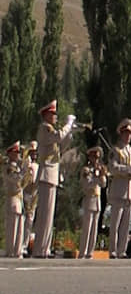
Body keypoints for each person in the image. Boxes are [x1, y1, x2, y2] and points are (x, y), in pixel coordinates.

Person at [33, 100, 76, 258]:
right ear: (46, 115)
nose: (56, 116)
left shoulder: (51, 131)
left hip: (52, 175)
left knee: (49, 216)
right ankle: (39, 249)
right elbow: (58, 136)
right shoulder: (45, 128)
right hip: (46, 174)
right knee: (44, 215)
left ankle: (44, 248)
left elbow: (61, 147)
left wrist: (69, 134)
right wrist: (68, 124)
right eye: (53, 114)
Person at [107, 118, 131, 259]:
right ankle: (113, 250)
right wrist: (126, 170)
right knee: (115, 223)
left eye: (130, 133)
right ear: (121, 134)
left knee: (126, 224)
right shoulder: (116, 150)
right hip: (118, 189)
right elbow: (112, 168)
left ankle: (122, 250)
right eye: (126, 133)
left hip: (129, 190)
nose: (128, 136)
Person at [79, 146, 108, 259]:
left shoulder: (98, 170)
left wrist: (102, 175)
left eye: (97, 158)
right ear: (90, 157)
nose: (96, 160)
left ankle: (90, 252)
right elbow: (87, 184)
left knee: (94, 229)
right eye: (94, 157)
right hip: (89, 199)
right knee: (87, 228)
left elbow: (103, 184)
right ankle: (83, 252)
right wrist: (97, 177)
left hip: (97, 201)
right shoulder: (86, 170)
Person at [3, 141, 26, 258]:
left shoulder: (17, 167)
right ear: (10, 154)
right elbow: (15, 179)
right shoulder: (8, 167)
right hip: (12, 198)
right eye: (16, 152)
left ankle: (18, 251)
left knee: (20, 228)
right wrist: (24, 172)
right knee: (12, 228)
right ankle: (10, 251)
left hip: (19, 200)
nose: (18, 155)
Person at [21, 141, 38, 256]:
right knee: (23, 219)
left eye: (35, 153)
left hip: (34, 194)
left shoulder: (37, 166)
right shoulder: (25, 164)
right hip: (26, 192)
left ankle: (26, 245)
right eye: (32, 152)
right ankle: (20, 244)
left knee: (30, 220)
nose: (34, 155)